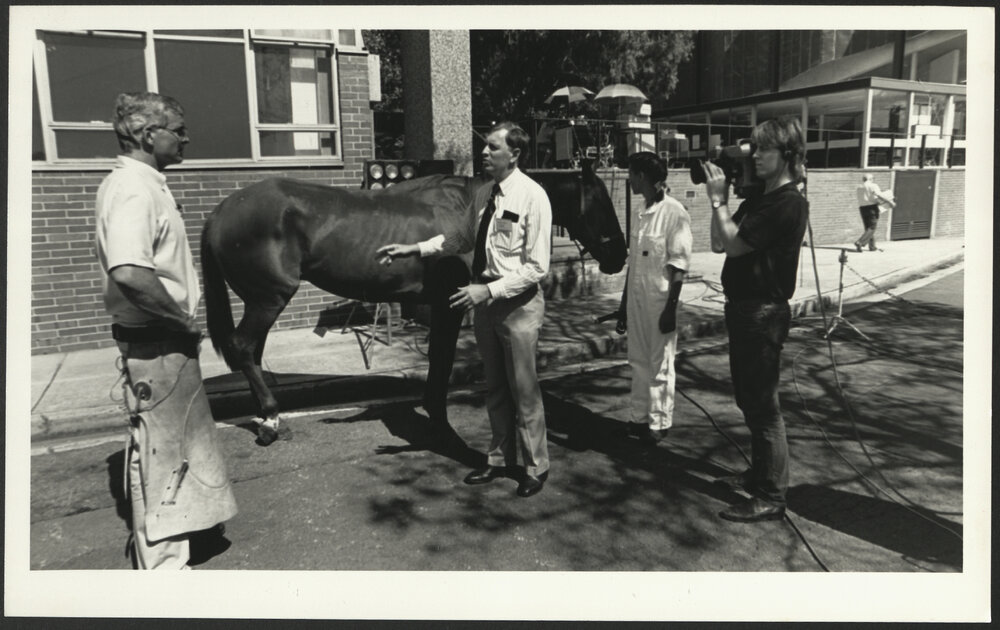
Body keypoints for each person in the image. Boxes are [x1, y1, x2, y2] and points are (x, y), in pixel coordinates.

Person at [95, 92, 238, 568]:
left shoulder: (146, 182)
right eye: (177, 129)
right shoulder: (135, 189)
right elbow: (130, 273)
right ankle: (162, 573)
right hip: (156, 338)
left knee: (176, 445)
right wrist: (180, 320)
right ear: (145, 134)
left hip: (162, 338)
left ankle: (184, 539)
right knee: (159, 454)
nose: (186, 137)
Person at [376, 122, 552, 498]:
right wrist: (413, 249)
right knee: (495, 389)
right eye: (485, 148)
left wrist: (486, 289)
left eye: (492, 148)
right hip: (487, 304)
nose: (484, 154)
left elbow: (537, 267)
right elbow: (461, 237)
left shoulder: (532, 196)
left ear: (514, 154)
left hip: (516, 306)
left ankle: (536, 465)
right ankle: (499, 458)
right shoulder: (489, 194)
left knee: (524, 390)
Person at [703, 116, 809, 523]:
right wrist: (723, 202)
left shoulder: (787, 202)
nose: (756, 155)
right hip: (744, 309)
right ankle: (760, 474)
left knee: (764, 407)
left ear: (786, 155)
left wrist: (718, 200)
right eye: (754, 147)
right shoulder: (761, 197)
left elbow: (732, 244)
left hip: (762, 314)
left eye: (763, 148)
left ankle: (771, 494)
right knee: (749, 400)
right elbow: (719, 242)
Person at [620, 152, 692, 445]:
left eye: (632, 174)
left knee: (660, 363)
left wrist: (670, 310)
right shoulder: (640, 212)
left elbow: (679, 264)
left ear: (642, 177)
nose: (629, 180)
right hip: (637, 301)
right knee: (637, 361)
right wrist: (622, 306)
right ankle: (639, 417)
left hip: (660, 302)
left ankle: (659, 423)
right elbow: (633, 265)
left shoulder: (675, 213)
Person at [854, 174, 895, 252]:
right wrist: (890, 202)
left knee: (868, 228)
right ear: (870, 179)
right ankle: (860, 242)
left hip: (862, 208)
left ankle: (872, 246)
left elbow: (867, 197)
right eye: (873, 178)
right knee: (872, 227)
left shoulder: (859, 187)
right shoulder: (873, 185)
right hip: (871, 208)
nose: (873, 179)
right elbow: (879, 195)